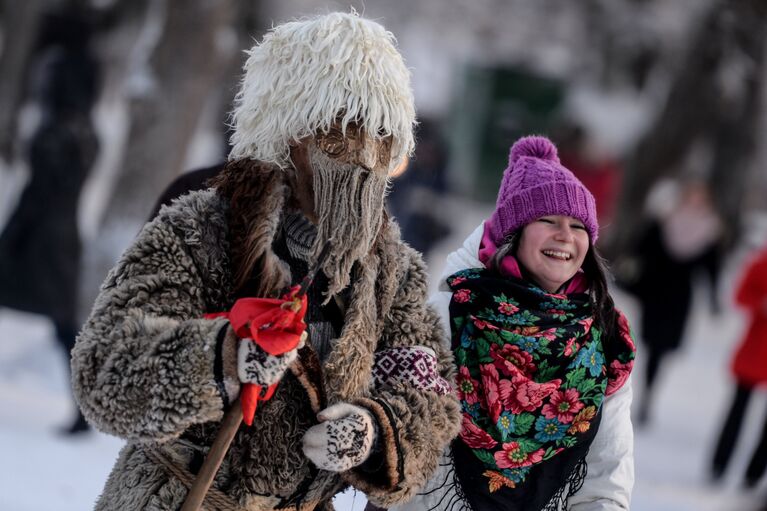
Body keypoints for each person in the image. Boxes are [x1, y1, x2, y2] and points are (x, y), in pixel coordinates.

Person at [71, 12, 461, 511]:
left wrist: (373, 431)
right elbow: (103, 368)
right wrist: (220, 357)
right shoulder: (201, 230)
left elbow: (427, 394)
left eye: (383, 138)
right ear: (292, 133)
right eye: (342, 130)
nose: (365, 158)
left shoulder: (392, 273)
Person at [394, 136, 636, 511]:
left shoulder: (602, 339)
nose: (565, 236)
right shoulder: (445, 317)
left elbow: (606, 479)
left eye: (578, 225)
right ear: (513, 232)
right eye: (548, 220)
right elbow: (397, 441)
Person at [0, 6, 100, 435]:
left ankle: (85, 405)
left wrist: (16, 233)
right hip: (59, 236)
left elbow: (40, 191)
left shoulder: (60, 132)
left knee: (63, 326)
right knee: (63, 325)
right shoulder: (86, 132)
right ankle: (84, 405)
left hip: (41, 235)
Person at [618, 179, 722, 426]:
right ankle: (635, 388)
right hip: (655, 292)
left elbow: (712, 269)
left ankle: (648, 393)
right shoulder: (664, 220)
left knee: (662, 349)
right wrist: (628, 267)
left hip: (679, 297)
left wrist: (714, 300)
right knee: (650, 343)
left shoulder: (709, 230)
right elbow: (639, 248)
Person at [711, 244, 767, 488]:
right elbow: (741, 294)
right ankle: (719, 465)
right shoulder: (762, 262)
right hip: (755, 349)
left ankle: (754, 474)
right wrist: (761, 304)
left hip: (755, 350)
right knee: (737, 409)